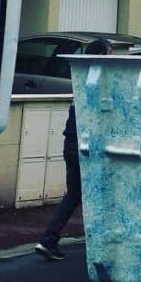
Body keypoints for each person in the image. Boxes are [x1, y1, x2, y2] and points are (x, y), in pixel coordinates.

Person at [34, 37, 111, 261]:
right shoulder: (100, 81)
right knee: (101, 192)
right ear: (100, 55)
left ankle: (49, 239)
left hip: (70, 142)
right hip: (86, 144)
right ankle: (102, 245)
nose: (112, 56)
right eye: (109, 52)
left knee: (75, 193)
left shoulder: (81, 78)